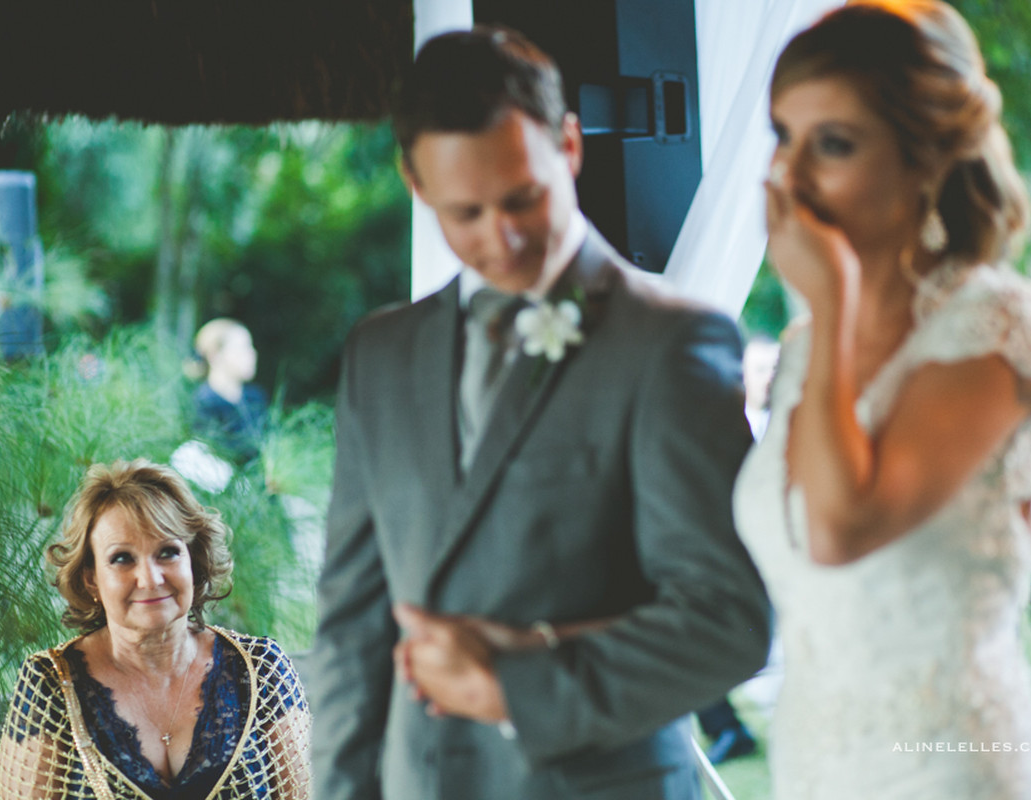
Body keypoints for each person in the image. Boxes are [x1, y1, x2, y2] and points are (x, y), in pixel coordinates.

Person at [310, 25, 771, 800]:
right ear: (414, 184)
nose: (504, 237)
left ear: (568, 145)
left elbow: (728, 620)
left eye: (524, 198)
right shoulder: (379, 356)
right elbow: (352, 626)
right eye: (466, 213)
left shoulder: (673, 343)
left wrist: (519, 682)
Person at [732, 2, 1031, 797]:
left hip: (949, 768)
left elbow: (842, 527)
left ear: (924, 159)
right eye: (784, 137)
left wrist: (832, 298)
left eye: (835, 145)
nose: (792, 178)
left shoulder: (997, 324)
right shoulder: (805, 352)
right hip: (814, 759)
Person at [0, 459, 310, 799]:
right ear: (91, 578)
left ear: (194, 560)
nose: (150, 579)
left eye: (167, 552)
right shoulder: (52, 685)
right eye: (122, 558)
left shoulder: (261, 669)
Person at [695, 335, 780, 764]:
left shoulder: (790, 425)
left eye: (774, 368)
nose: (769, 378)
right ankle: (726, 726)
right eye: (760, 369)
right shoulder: (726, 424)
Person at [192, 318, 268, 464]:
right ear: (215, 355)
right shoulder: (202, 404)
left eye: (251, 347)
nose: (252, 353)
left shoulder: (255, 398)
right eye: (242, 347)